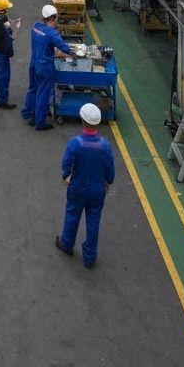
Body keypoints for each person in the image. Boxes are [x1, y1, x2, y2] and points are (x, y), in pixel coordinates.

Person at [56, 103, 115, 268]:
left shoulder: (75, 144)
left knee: (72, 214)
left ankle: (67, 244)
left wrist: (66, 176)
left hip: (78, 187)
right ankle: (89, 256)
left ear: (82, 121)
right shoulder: (105, 146)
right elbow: (110, 169)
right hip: (97, 190)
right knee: (93, 220)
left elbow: (66, 164)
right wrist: (108, 181)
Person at [21, 4, 77, 130]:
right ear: (52, 18)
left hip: (34, 64)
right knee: (43, 93)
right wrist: (74, 53)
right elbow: (63, 47)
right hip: (44, 67)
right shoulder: (52, 33)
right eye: (56, 18)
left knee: (33, 89)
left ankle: (30, 115)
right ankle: (40, 122)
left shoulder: (36, 27)